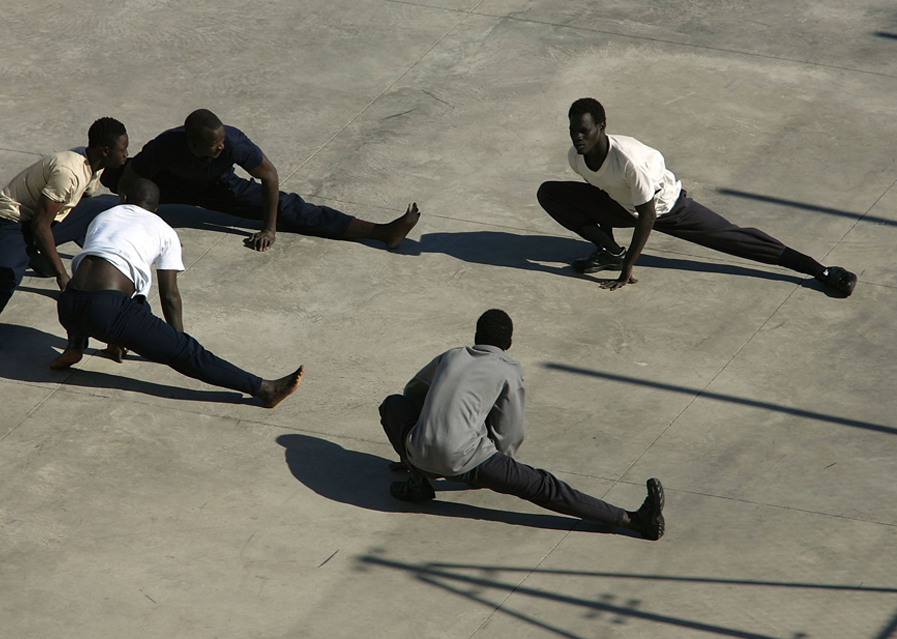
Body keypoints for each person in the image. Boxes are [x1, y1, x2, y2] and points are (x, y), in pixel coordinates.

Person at [379, 309, 665, 540]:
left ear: (476, 337)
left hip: (418, 452)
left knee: (392, 404)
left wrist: (430, 428)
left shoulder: (452, 355)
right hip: (472, 463)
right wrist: (497, 464)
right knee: (545, 487)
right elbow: (510, 431)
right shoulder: (508, 369)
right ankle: (634, 521)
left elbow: (413, 391)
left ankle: (417, 479)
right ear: (509, 344)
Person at [537, 98, 857, 296]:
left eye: (584, 131)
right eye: (573, 131)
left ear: (602, 127)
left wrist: (627, 271)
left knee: (735, 238)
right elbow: (598, 191)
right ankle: (610, 251)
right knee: (551, 194)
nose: (577, 137)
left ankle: (820, 270)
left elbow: (648, 216)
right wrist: (608, 239)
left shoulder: (629, 161)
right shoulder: (576, 157)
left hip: (667, 207)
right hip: (623, 205)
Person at [50, 179, 303, 409]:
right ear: (156, 209)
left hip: (69, 306)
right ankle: (264, 389)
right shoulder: (165, 231)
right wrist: (178, 341)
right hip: (107, 310)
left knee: (110, 293)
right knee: (188, 352)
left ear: (124, 198)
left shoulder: (105, 215)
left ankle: (76, 344)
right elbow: (169, 294)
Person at [104, 109, 420, 252]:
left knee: (292, 210)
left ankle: (383, 232)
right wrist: (138, 219)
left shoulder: (234, 143)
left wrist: (269, 227)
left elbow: (269, 176)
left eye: (222, 142)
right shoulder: (165, 146)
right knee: (113, 175)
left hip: (220, 187)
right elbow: (132, 175)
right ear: (193, 145)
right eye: (215, 146)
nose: (222, 147)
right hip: (169, 185)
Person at [0, 117, 129, 352]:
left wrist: (94, 250)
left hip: (47, 219)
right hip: (14, 221)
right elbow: (40, 226)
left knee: (108, 207)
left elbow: (81, 205)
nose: (126, 154)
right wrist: (62, 276)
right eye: (123, 149)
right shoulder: (68, 171)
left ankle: (35, 253)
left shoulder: (95, 165)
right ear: (105, 151)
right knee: (5, 274)